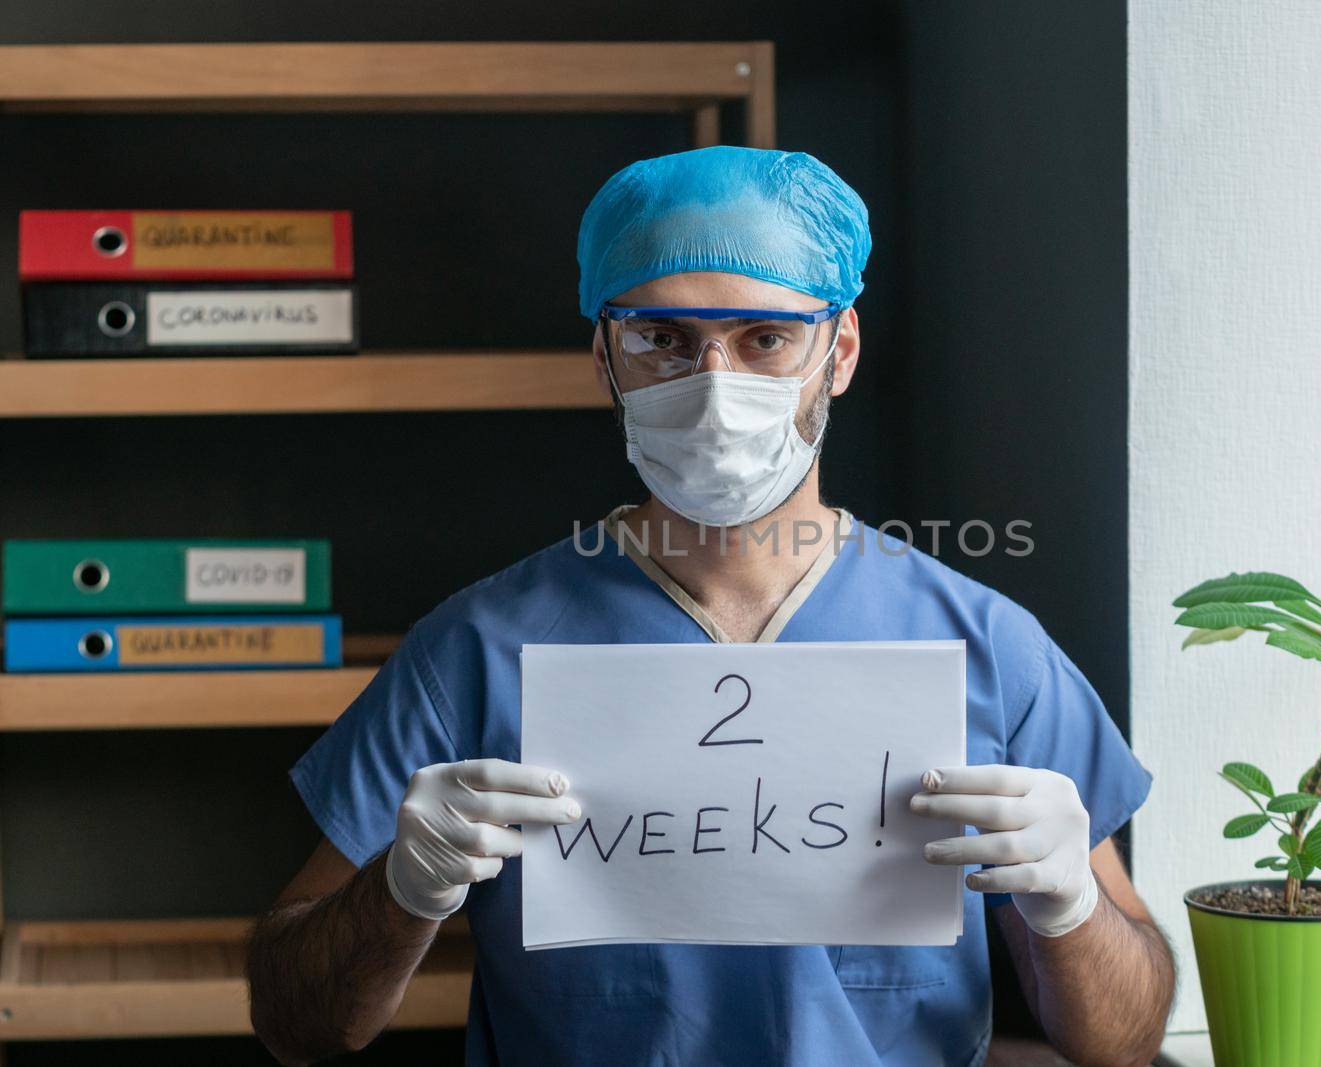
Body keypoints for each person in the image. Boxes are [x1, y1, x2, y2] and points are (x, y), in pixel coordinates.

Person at [246, 145, 1174, 1067]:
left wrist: (1073, 907)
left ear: (838, 351)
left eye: (766, 338)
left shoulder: (987, 650)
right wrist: (400, 891)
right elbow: (297, 1025)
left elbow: (1123, 1041)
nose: (716, 386)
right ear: (604, 358)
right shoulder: (479, 654)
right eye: (663, 340)